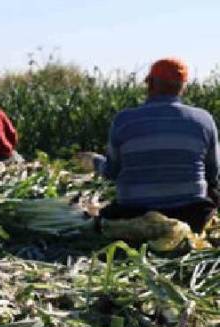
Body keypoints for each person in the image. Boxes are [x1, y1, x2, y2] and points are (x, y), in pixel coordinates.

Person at [87, 58, 219, 233]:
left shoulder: (124, 121)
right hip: (190, 216)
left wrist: (95, 162)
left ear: (150, 84)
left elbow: (112, 172)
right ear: (183, 87)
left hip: (133, 215)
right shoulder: (204, 120)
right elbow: (213, 173)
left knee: (106, 215)